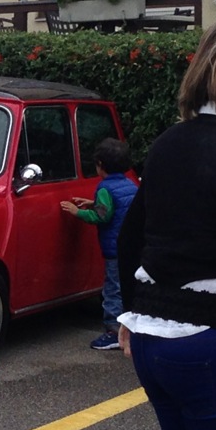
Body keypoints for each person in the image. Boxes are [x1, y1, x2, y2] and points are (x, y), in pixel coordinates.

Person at [117, 16, 216, 430]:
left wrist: (129, 313)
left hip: (153, 338)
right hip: (213, 342)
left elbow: (131, 237)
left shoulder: (170, 142)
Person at [59, 138, 137, 350]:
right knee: (127, 286)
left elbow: (102, 216)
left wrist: (78, 212)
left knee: (112, 289)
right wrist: (94, 203)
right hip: (130, 248)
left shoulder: (105, 188)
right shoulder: (130, 185)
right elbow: (118, 206)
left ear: (100, 165)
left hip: (113, 248)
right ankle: (130, 328)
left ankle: (113, 331)